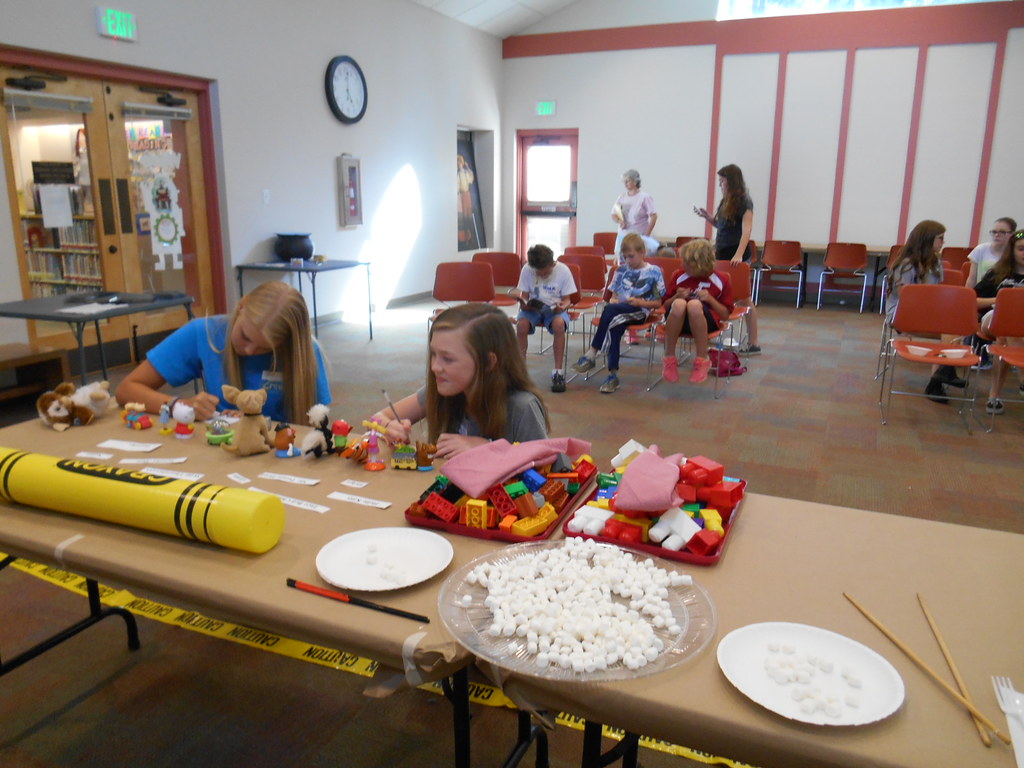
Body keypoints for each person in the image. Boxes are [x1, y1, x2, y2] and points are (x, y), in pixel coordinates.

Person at [116, 281, 331, 423]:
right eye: (245, 336)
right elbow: (126, 390)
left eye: (265, 348)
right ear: (241, 307)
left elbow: (318, 423)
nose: (248, 350)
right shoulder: (203, 332)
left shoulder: (305, 352)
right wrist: (178, 405)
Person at [371, 303, 549, 459]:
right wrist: (388, 427)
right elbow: (378, 418)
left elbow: (545, 472)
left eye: (447, 359)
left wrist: (488, 448)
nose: (435, 367)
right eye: (434, 354)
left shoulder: (523, 407)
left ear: (488, 362)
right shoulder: (444, 389)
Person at [571, 233, 665, 394]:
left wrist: (640, 302)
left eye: (631, 256)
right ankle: (612, 375)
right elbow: (614, 295)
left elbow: (657, 303)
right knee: (614, 324)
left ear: (642, 252)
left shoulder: (654, 272)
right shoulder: (621, 270)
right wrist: (614, 300)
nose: (628, 261)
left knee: (609, 312)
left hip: (639, 311)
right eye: (625, 257)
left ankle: (592, 353)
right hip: (618, 311)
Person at [694, 164, 760, 353]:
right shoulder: (725, 201)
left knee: (744, 298)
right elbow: (722, 226)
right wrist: (707, 217)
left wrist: (739, 254)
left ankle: (754, 342)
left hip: (736, 254)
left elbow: (746, 229)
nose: (720, 184)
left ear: (731, 181)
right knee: (716, 294)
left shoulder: (745, 201)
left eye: (722, 181)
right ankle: (710, 332)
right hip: (722, 252)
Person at [883, 220, 949, 403]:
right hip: (902, 314)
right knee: (950, 331)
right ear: (927, 240)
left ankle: (938, 378)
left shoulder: (936, 263)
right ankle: (940, 378)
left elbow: (937, 292)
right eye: (940, 238)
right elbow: (907, 298)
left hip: (926, 312)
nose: (943, 242)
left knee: (955, 329)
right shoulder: (905, 264)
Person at [661, 239, 735, 385]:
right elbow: (665, 305)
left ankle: (702, 359)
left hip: (706, 322)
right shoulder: (679, 275)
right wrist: (677, 296)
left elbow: (726, 315)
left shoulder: (721, 279)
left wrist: (710, 299)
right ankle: (669, 358)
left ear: (699, 264)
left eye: (687, 262)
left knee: (694, 305)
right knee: (680, 303)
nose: (683, 265)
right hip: (678, 321)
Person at [974, 229, 1024, 415]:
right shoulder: (997, 273)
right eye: (1021, 249)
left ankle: (993, 397)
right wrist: (999, 300)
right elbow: (973, 300)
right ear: (1012, 251)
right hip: (994, 316)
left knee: (1004, 337)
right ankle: (1022, 378)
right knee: (1007, 324)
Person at [515, 244, 576, 393]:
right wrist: (523, 304)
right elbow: (524, 296)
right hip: (534, 309)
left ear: (552, 264)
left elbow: (567, 300)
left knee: (559, 325)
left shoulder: (563, 271)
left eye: (545, 273)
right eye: (538, 273)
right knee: (521, 325)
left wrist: (563, 306)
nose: (541, 276)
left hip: (554, 308)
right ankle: (519, 372)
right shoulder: (528, 269)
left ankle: (558, 371)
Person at [611, 169, 659, 257]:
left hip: (639, 235)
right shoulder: (621, 197)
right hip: (623, 235)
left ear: (635, 181)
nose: (625, 183)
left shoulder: (644, 197)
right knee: (621, 260)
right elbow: (614, 214)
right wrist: (619, 221)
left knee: (637, 260)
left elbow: (654, 216)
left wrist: (647, 235)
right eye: (624, 181)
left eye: (628, 181)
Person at [965, 217, 1016, 289]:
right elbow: (972, 278)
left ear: (1012, 234)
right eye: (994, 232)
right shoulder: (980, 249)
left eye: (1002, 232)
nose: (996, 235)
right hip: (981, 293)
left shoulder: (1016, 253)